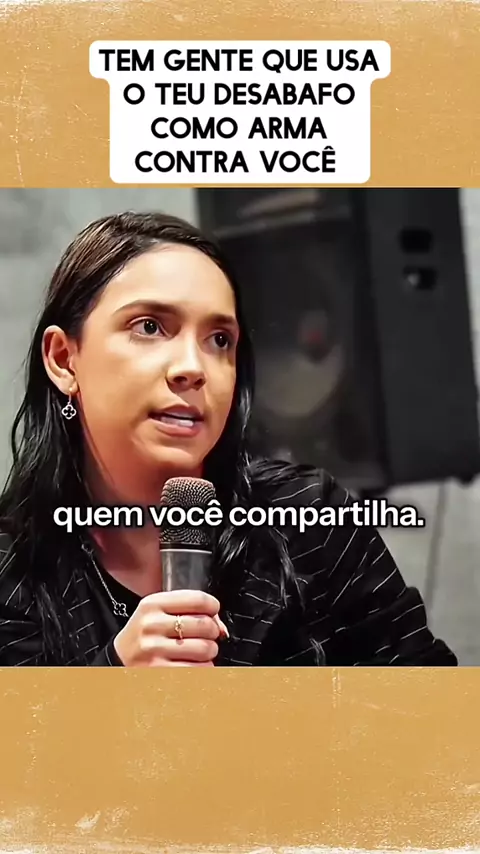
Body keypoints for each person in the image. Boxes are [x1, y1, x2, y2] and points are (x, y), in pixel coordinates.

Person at [0, 211, 456, 667]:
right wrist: (115, 680)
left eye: (220, 340)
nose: (192, 368)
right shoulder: (11, 565)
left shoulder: (308, 519)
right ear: (63, 359)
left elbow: (431, 699)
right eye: (150, 327)